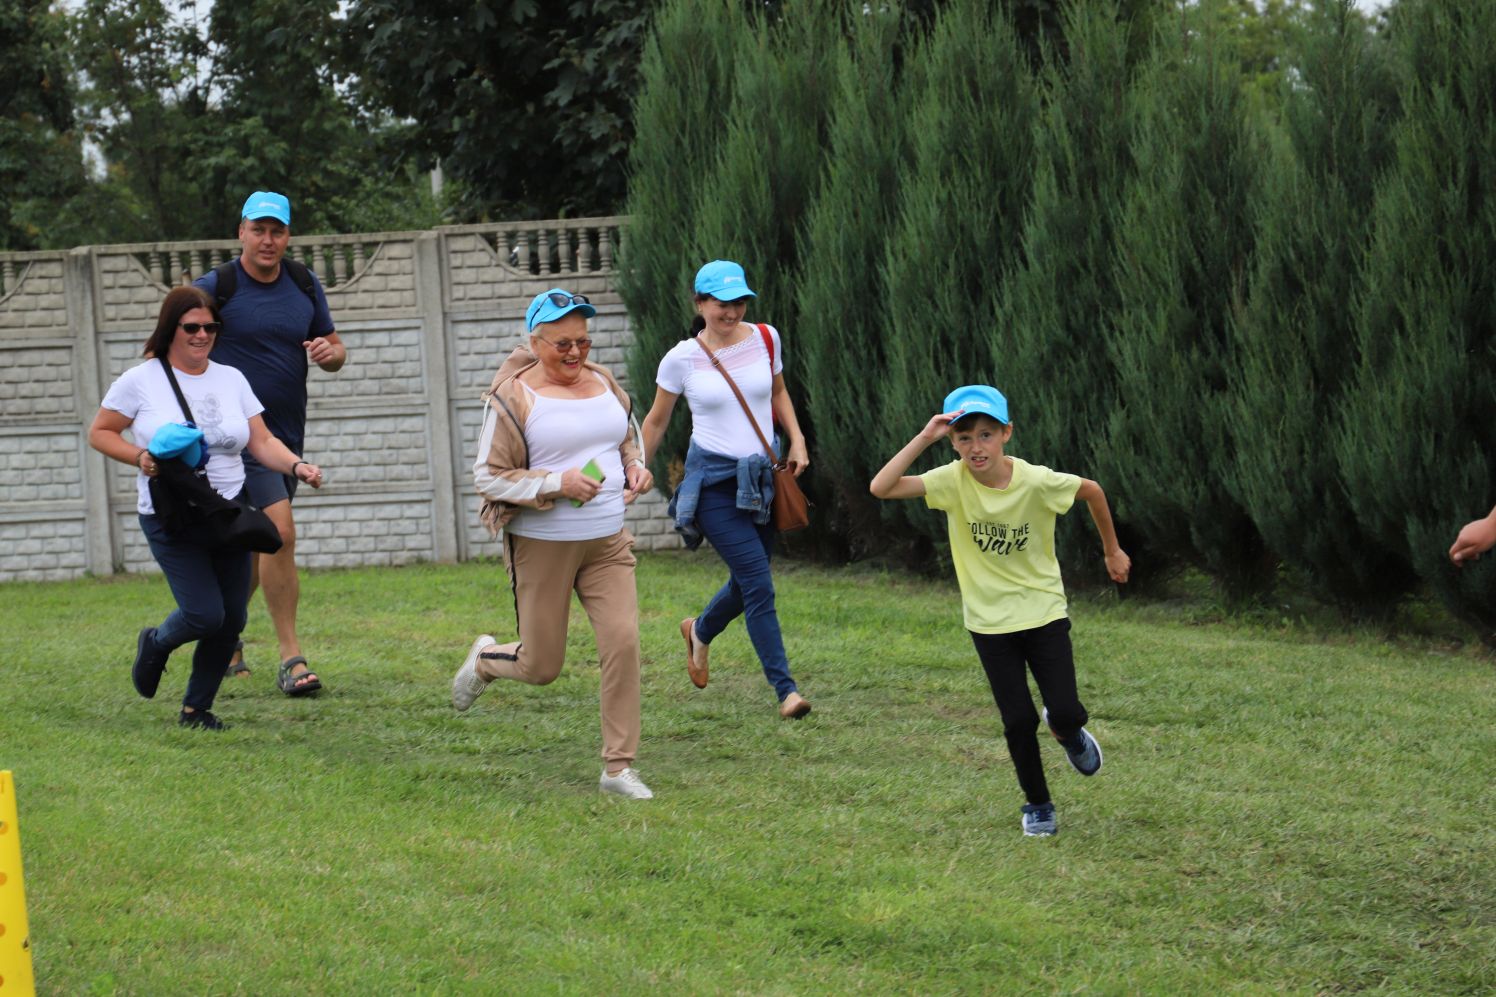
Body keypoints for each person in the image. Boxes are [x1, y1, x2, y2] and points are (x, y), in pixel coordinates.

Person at [869, 385, 1130, 837]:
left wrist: (1112, 550)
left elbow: (1093, 491)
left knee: (1065, 712)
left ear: (1007, 433)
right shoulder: (951, 481)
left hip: (1044, 612)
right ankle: (1038, 804)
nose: (976, 447)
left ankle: (1068, 733)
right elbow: (881, 487)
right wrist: (925, 437)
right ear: (953, 442)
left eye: (986, 434)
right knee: (1018, 721)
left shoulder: (1038, 481)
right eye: (964, 437)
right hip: (989, 625)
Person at [450, 288, 656, 799]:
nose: (575, 354)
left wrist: (635, 466)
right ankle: (485, 659)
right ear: (535, 342)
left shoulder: (604, 380)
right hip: (542, 544)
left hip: (607, 541)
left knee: (623, 643)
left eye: (583, 342)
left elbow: (625, 435)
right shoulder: (513, 397)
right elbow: (488, 479)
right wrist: (554, 483)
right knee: (542, 666)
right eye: (562, 343)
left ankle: (618, 767)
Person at [88, 287, 325, 730]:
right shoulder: (140, 380)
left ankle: (196, 709)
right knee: (203, 613)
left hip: (228, 513)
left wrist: (297, 465)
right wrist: (139, 457)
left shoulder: (231, 378)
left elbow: (261, 441)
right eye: (191, 327)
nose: (202, 335)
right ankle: (156, 644)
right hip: (172, 516)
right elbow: (100, 432)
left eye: (210, 327)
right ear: (170, 329)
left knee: (231, 618)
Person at [638, 260, 813, 719]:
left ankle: (699, 630)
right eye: (721, 304)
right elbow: (657, 421)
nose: (731, 312)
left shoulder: (766, 338)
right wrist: (634, 469)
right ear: (700, 303)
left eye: (738, 302)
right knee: (759, 583)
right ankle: (786, 691)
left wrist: (795, 438)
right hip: (714, 486)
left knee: (748, 578)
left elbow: (778, 393)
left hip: (762, 478)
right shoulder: (681, 358)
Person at [193, 190, 346, 696]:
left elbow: (336, 346)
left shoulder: (303, 284)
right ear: (241, 231)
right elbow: (178, 340)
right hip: (230, 441)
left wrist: (330, 353)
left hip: (283, 435)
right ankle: (290, 656)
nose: (267, 239)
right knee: (275, 534)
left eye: (277, 231)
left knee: (257, 543)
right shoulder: (219, 286)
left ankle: (227, 635)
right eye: (258, 229)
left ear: (287, 236)